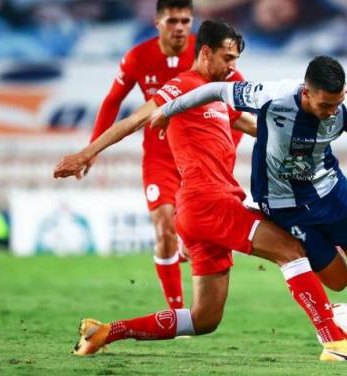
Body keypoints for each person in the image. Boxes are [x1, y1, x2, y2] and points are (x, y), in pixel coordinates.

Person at [54, 19, 347, 363]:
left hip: (201, 210)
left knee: (205, 318)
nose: (233, 67)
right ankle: (335, 341)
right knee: (290, 250)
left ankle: (105, 332)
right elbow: (135, 119)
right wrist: (86, 152)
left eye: (236, 60)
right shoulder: (183, 85)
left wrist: (312, 136)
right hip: (207, 202)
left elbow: (263, 129)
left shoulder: (213, 98)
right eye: (228, 59)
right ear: (205, 52)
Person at [149, 56, 347, 362]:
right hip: (285, 206)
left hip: (331, 193)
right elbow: (215, 89)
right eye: (325, 105)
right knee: (339, 281)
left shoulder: (345, 106)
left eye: (336, 104)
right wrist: (168, 109)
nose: (331, 112)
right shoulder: (272, 96)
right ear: (306, 92)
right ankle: (333, 319)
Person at [86, 0, 249, 310]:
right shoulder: (138, 56)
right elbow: (113, 103)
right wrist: (92, 149)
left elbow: (237, 111)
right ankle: (176, 310)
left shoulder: (207, 53)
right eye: (173, 21)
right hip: (160, 158)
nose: (180, 28)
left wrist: (225, 150)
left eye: (186, 21)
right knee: (164, 229)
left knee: (194, 228)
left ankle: (197, 266)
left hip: (198, 162)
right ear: (157, 21)